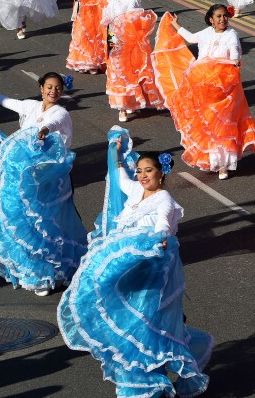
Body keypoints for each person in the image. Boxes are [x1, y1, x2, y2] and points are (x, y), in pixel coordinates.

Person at [57, 127, 214, 398]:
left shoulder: (164, 199)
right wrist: (115, 151)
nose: (142, 176)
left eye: (148, 171)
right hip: (133, 267)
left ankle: (147, 385)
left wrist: (161, 238)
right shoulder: (135, 191)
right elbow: (119, 177)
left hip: (155, 269)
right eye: (140, 171)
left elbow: (163, 223)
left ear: (161, 173)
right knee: (130, 319)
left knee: (143, 323)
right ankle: (142, 378)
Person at [0, 72, 87, 296]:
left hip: (51, 179)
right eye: (49, 87)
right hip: (25, 177)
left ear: (62, 91)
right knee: (23, 221)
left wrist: (43, 131)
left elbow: (52, 124)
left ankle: (47, 274)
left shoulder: (61, 113)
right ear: (41, 88)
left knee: (47, 224)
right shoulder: (32, 106)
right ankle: (27, 269)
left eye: (57, 88)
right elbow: (11, 103)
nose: (53, 92)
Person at [152, 4, 255, 179]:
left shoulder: (231, 34)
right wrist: (175, 24)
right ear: (211, 19)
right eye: (218, 16)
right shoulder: (206, 33)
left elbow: (235, 52)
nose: (222, 19)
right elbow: (190, 38)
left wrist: (235, 61)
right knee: (207, 123)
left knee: (224, 123)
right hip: (202, 84)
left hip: (224, 85)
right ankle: (214, 159)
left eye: (224, 16)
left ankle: (224, 165)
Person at [100, 0, 164, 122]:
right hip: (112, 35)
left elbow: (130, 16)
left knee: (127, 71)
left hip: (126, 38)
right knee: (115, 70)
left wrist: (121, 30)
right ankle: (123, 105)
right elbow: (110, 2)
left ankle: (126, 104)